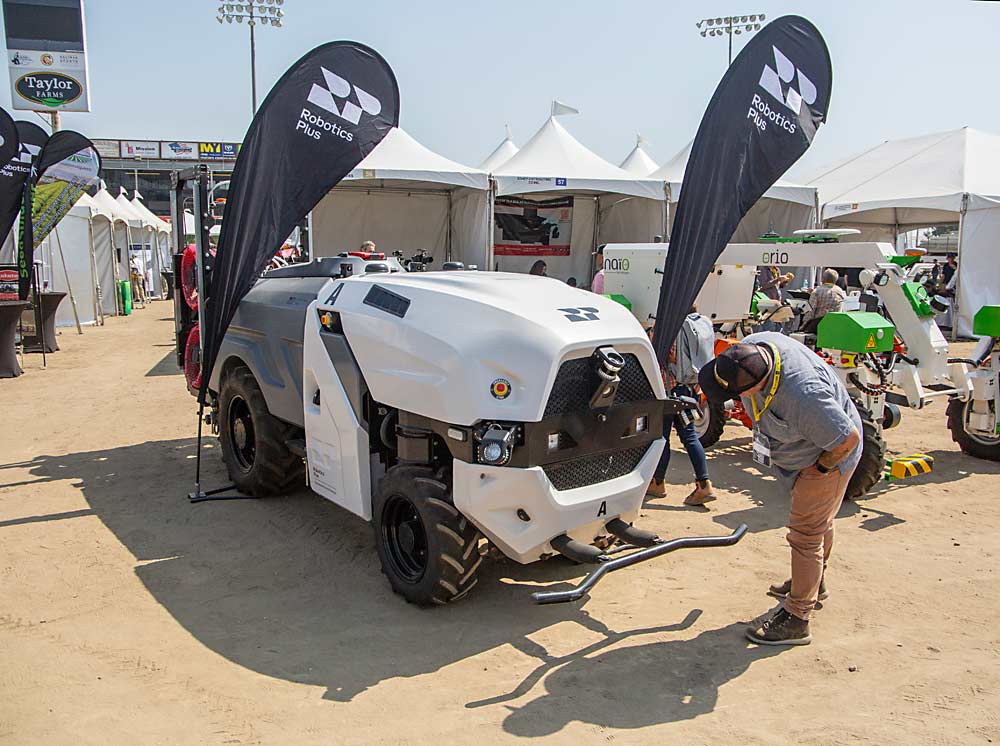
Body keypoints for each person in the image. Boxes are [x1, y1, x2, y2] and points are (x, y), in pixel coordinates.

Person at [698, 334, 862, 646]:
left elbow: (846, 440)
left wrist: (820, 470)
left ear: (753, 387)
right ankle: (813, 583)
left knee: (806, 533)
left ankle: (798, 618)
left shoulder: (804, 396)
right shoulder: (753, 347)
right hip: (804, 452)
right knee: (819, 522)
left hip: (829, 456)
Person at [646, 306, 716, 506]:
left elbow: (654, 354)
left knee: (663, 437)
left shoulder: (668, 328)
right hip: (689, 390)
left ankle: (660, 483)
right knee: (689, 436)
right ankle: (702, 483)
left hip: (669, 391)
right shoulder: (698, 323)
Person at [803, 268, 847, 332]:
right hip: (835, 325)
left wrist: (803, 325)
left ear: (823, 279)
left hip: (818, 326)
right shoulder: (841, 292)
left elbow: (810, 311)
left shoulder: (817, 291)